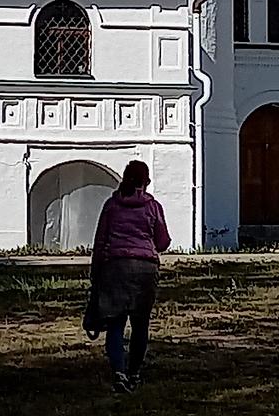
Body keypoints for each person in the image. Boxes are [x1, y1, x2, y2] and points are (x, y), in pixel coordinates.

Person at [89, 160, 171, 393]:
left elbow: (100, 241)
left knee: (115, 323)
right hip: (146, 269)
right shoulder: (152, 206)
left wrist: (95, 273)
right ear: (146, 181)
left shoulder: (112, 205)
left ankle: (119, 371)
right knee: (140, 324)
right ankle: (134, 372)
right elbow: (163, 242)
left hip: (115, 268)